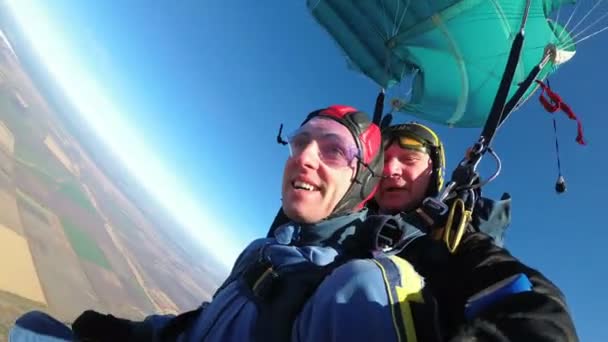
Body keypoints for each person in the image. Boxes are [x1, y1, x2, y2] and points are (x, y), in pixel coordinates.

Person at [10, 105, 443, 342]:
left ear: (361, 182)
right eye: (301, 141)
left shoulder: (360, 287)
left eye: (333, 150)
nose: (305, 156)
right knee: (31, 327)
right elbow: (204, 323)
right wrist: (137, 332)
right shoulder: (262, 251)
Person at [374, 122, 579, 341]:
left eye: (409, 160)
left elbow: (533, 299)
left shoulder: (454, 240)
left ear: (434, 175)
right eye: (382, 162)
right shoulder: (344, 230)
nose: (390, 170)